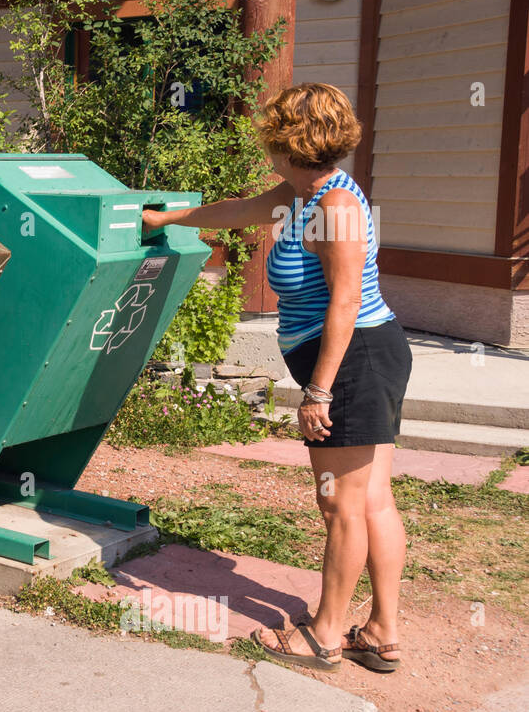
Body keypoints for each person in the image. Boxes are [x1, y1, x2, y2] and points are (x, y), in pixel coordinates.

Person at [142, 82, 411, 673]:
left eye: (272, 132)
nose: (267, 143)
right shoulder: (302, 193)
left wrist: (318, 392)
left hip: (355, 360)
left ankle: (325, 635)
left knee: (342, 505)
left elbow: (343, 303)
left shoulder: (335, 206)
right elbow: (238, 211)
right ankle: (383, 632)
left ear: (289, 140)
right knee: (370, 501)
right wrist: (168, 218)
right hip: (366, 356)